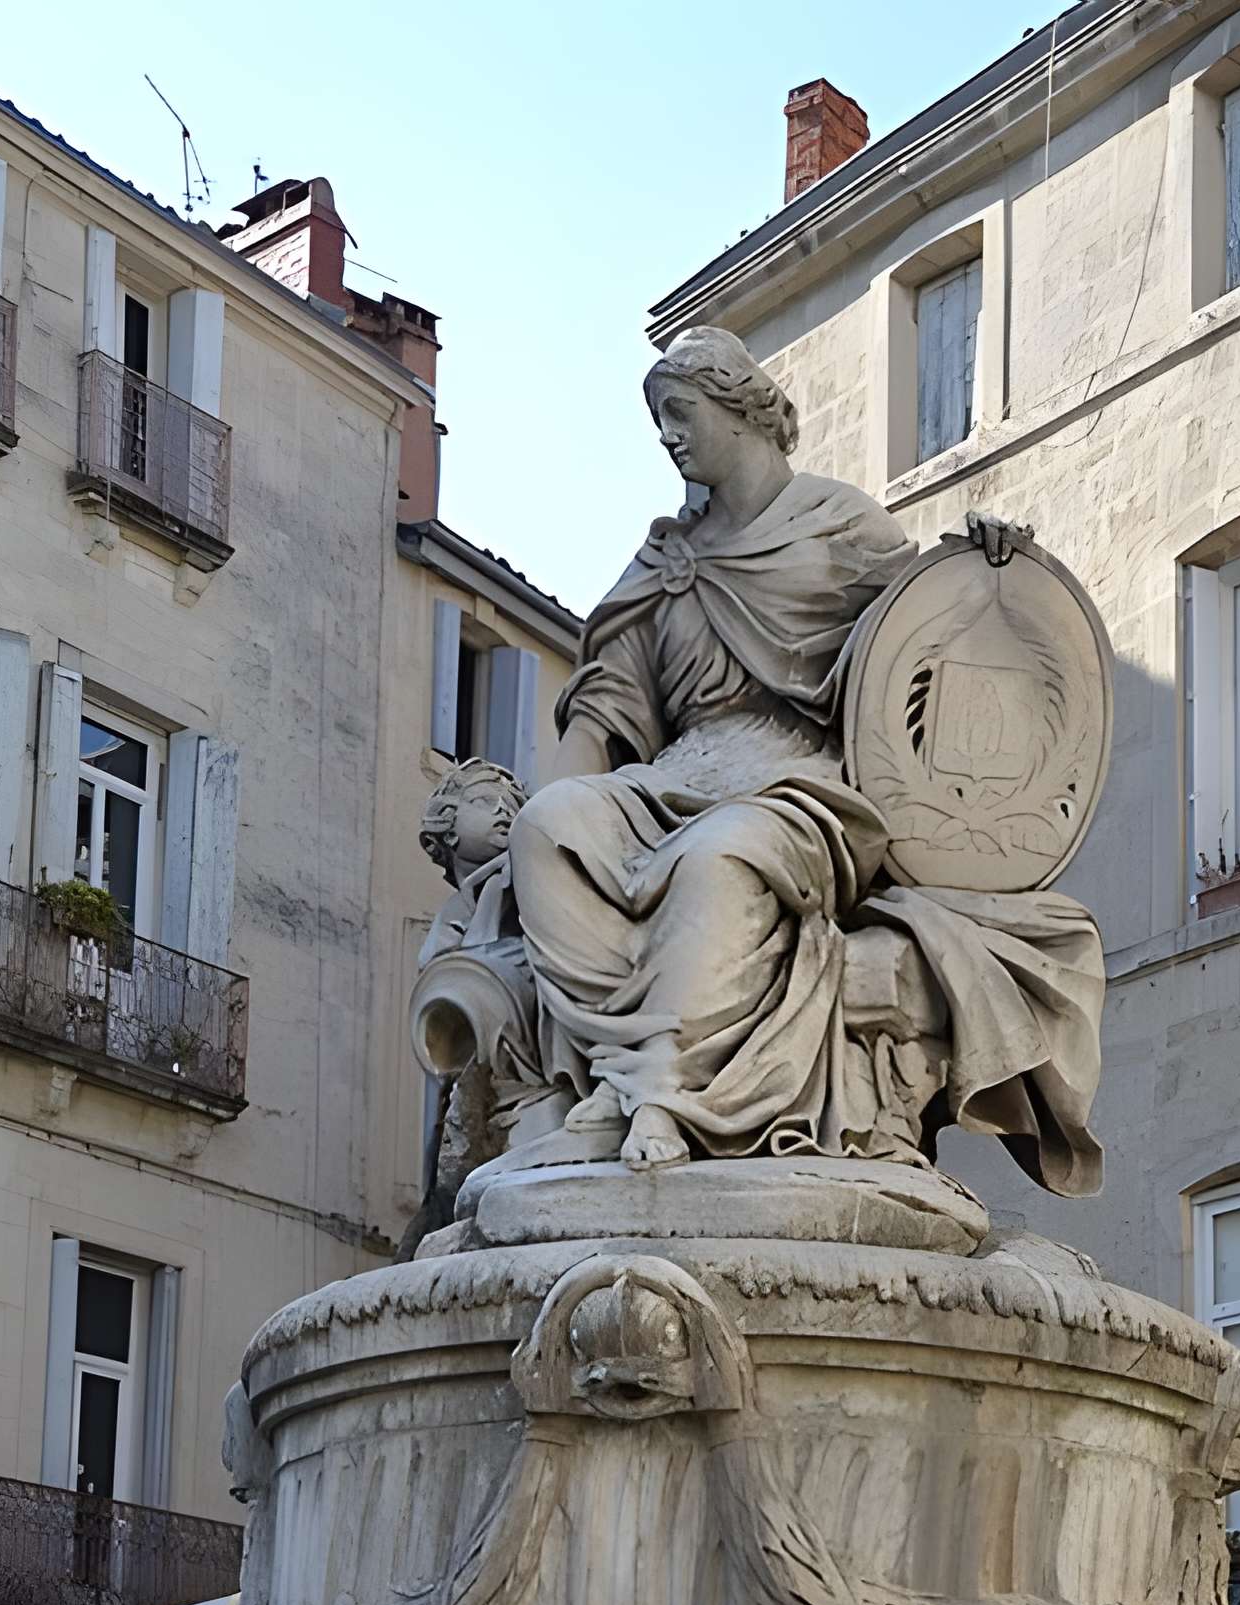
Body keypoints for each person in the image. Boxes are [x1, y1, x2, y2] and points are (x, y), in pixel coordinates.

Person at [436, 323, 1106, 1196]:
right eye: (658, 424)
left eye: (680, 414)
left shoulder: (843, 530)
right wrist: (531, 831)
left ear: (737, 408)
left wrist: (990, 570)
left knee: (724, 857)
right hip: (672, 775)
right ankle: (609, 1073)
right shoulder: (663, 564)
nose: (669, 438)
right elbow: (602, 715)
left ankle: (658, 1092)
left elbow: (929, 642)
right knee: (552, 828)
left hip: (796, 780)